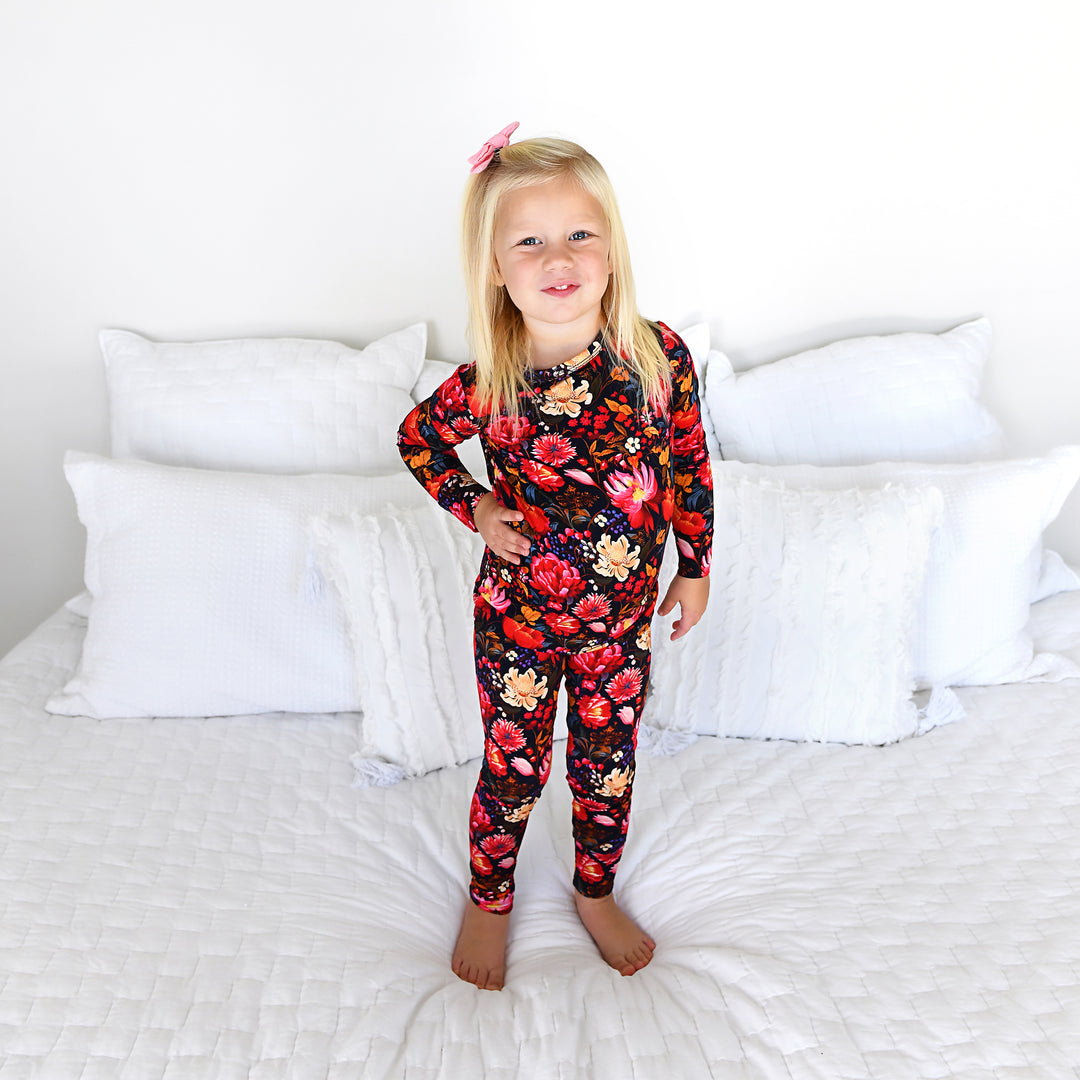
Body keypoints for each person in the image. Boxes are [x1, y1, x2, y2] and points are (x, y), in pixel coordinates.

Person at [397, 122, 713, 991]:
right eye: (529, 242)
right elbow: (419, 439)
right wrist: (477, 507)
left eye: (579, 233)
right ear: (497, 269)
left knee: (605, 772)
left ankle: (594, 892)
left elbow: (690, 463)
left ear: (611, 252)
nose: (559, 257)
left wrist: (695, 567)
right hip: (518, 624)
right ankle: (489, 899)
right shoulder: (490, 380)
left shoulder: (657, 358)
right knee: (514, 770)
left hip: (619, 630)